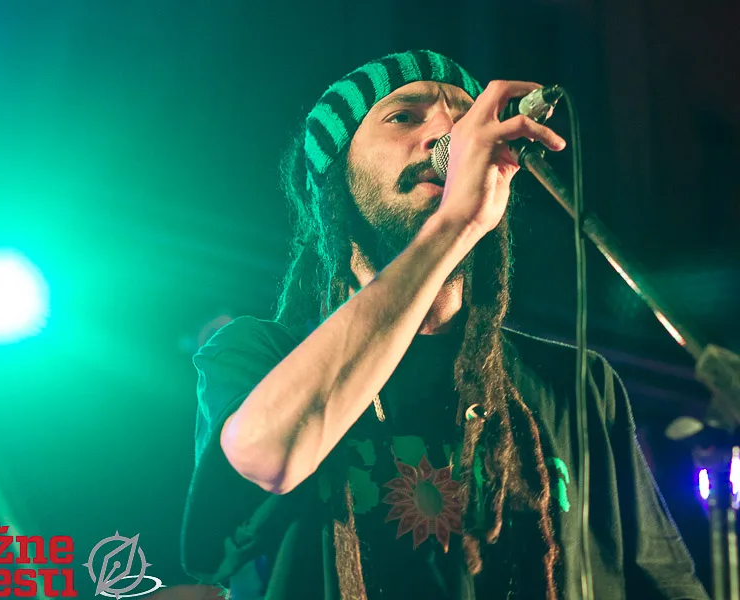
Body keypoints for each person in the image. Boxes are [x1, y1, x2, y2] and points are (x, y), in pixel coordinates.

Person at [180, 50, 709, 599]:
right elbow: (266, 456)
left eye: (462, 119)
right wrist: (455, 221)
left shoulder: (577, 382)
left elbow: (668, 585)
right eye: (403, 117)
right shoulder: (257, 353)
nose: (445, 134)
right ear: (335, 181)